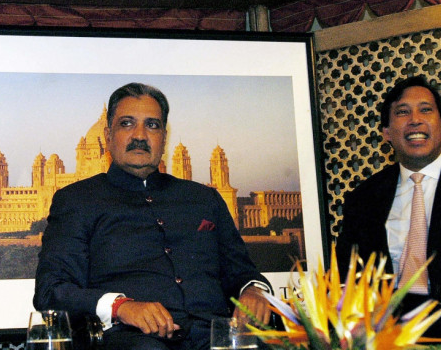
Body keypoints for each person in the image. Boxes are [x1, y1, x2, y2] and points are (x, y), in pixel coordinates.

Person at [34, 83, 272, 350]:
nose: (140, 135)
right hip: (133, 340)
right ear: (108, 136)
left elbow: (243, 272)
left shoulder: (205, 199)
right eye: (126, 124)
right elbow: (50, 291)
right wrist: (121, 307)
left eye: (152, 125)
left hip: (217, 337)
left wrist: (253, 291)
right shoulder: (78, 200)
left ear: (164, 137)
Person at [336, 75, 441, 347]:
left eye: (425, 109)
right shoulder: (363, 199)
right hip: (387, 338)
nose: (415, 119)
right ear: (386, 132)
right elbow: (346, 277)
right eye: (402, 112)